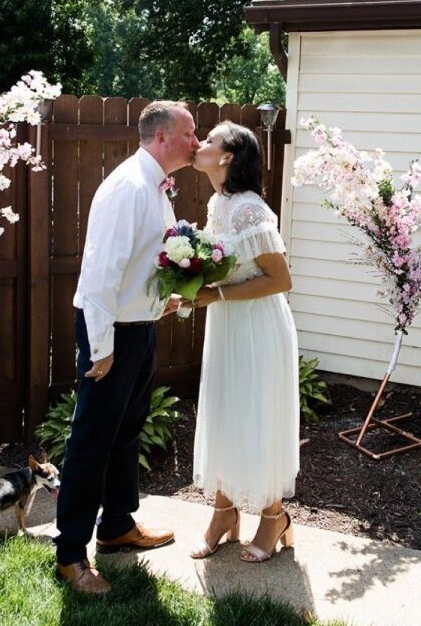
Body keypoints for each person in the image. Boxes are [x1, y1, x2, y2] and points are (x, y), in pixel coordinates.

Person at [55, 101, 199, 593]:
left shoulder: (157, 188)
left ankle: (116, 528)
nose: (196, 142)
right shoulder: (127, 188)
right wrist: (101, 348)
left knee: (125, 433)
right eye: (189, 133)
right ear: (162, 138)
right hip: (110, 333)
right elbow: (99, 275)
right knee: (91, 442)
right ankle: (70, 556)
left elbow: (140, 263)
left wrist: (161, 300)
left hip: (138, 328)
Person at [185, 121, 300, 563]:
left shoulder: (250, 209)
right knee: (225, 414)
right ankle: (224, 514)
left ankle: (274, 518)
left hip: (258, 329)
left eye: (210, 141)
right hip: (228, 325)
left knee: (257, 417)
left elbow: (280, 279)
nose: (201, 145)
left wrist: (214, 294)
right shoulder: (219, 203)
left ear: (229, 156)